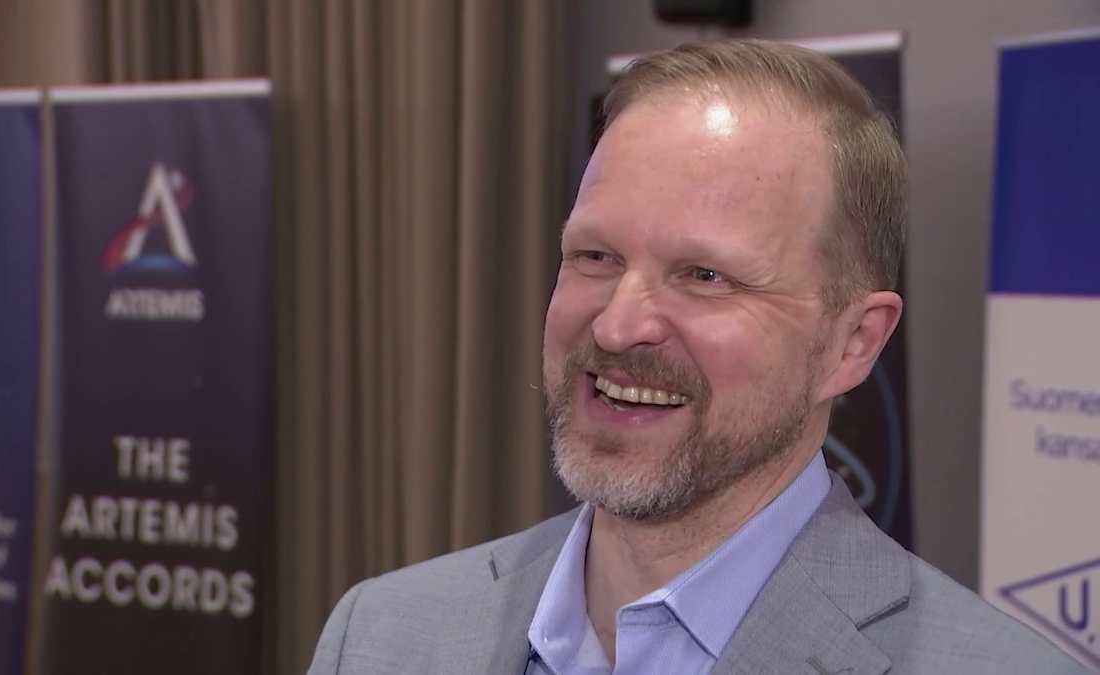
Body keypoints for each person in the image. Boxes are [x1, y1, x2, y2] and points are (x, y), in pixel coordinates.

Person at [308, 39, 1084, 674]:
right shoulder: (380, 635)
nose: (618, 327)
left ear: (852, 343)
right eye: (595, 256)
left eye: (704, 276)